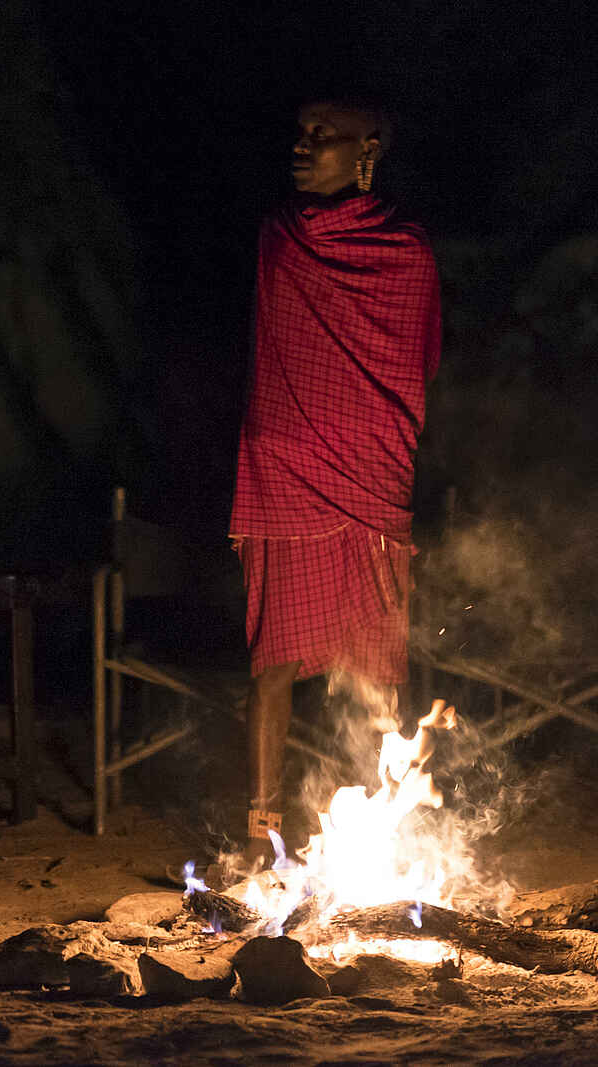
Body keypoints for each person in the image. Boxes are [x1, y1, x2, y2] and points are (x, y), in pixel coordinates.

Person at [228, 100, 441, 863]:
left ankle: (374, 833)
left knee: (373, 666)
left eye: (324, 136)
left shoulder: (407, 250)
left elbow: (414, 360)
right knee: (275, 659)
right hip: (287, 470)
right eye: (299, 133)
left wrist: (374, 429)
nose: (302, 145)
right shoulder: (283, 236)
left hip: (373, 470)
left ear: (368, 148)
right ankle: (262, 834)